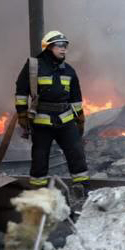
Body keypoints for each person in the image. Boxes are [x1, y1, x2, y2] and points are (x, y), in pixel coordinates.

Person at [15, 30, 89, 193]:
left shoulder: (69, 70)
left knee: (76, 151)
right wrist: (22, 113)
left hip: (66, 119)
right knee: (40, 156)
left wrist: (80, 118)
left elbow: (75, 97)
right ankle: (38, 190)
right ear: (48, 47)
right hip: (42, 121)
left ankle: (81, 186)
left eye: (65, 47)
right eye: (59, 46)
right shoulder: (33, 67)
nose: (63, 50)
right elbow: (21, 92)